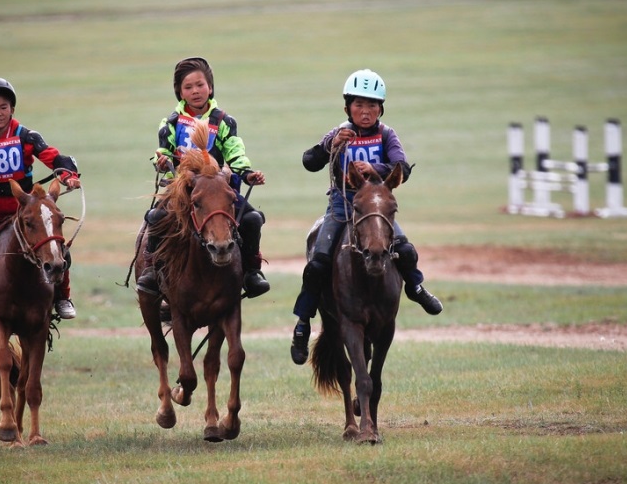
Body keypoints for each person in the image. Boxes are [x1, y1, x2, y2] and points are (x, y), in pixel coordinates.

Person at [290, 69, 443, 364]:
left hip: (376, 208)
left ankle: (416, 287)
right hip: (342, 207)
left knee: (406, 250)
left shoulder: (387, 134)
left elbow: (403, 168)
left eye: (372, 105)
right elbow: (309, 162)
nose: (366, 111)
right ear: (348, 108)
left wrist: (375, 172)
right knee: (318, 262)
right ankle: (302, 324)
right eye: (359, 105)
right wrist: (329, 146)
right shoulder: (337, 134)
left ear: (380, 109)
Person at [0, 77, 81, 336]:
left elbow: (54, 157)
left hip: (27, 213)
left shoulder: (26, 136)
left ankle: (63, 298)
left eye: (4, 107)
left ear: (12, 109)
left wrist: (68, 176)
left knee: (59, 251)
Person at [136, 57, 270, 298]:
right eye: (188, 87)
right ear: (179, 91)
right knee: (156, 218)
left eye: (200, 85)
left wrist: (248, 174)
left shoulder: (224, 121)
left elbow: (235, 151)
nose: (195, 91)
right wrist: (162, 161)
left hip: (217, 190)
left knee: (252, 219)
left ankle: (252, 272)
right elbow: (164, 152)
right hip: (183, 189)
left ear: (210, 86)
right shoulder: (171, 123)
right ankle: (152, 271)